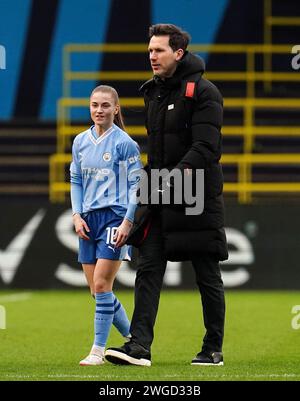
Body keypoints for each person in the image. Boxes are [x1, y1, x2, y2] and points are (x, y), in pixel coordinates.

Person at [105, 24, 228, 367]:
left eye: (158, 51)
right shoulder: (152, 92)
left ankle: (212, 348)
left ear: (178, 53)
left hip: (197, 193)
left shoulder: (205, 92)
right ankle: (139, 346)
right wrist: (138, 210)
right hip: (160, 190)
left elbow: (206, 148)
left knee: (207, 273)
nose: (152, 57)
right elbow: (155, 158)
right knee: (148, 267)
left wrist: (170, 180)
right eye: (149, 51)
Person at [70, 85, 142, 366]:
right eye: (94, 105)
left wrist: (128, 221)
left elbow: (138, 186)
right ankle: (136, 339)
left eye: (104, 105)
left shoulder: (124, 144)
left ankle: (97, 351)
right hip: (88, 219)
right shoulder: (80, 142)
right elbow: (76, 180)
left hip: (114, 217)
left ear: (116, 109)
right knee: (97, 291)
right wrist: (76, 215)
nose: (99, 110)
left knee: (101, 285)